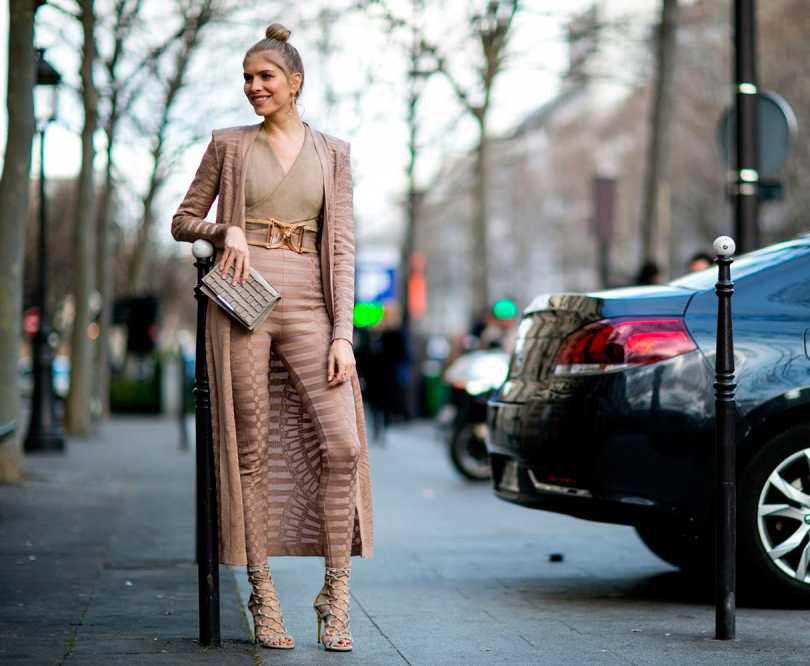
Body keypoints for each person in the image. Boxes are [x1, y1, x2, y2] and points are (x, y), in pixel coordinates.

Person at [170, 23, 373, 652]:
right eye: (247, 78)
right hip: (242, 304)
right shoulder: (228, 145)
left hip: (311, 305)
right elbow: (181, 221)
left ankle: (334, 594)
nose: (253, 87)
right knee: (251, 451)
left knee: (342, 445)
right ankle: (262, 594)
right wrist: (225, 227)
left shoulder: (332, 152)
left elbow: (341, 245)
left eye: (265, 77)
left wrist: (344, 333)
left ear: (295, 83)